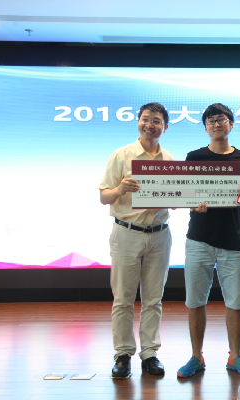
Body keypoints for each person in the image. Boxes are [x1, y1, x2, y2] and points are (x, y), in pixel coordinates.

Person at [177, 103, 240, 378]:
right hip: (199, 238)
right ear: (205, 127)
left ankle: (235, 356)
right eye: (211, 121)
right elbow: (183, 193)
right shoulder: (194, 157)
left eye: (221, 119)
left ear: (231, 124)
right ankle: (195, 356)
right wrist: (191, 203)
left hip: (232, 239)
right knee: (194, 301)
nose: (216, 124)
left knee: (235, 302)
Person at [99, 102, 173, 379]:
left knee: (154, 299)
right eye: (146, 119)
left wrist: (187, 199)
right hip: (127, 233)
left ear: (165, 127)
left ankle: (150, 353)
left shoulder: (169, 160)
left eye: (156, 121)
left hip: (159, 234)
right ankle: (123, 354)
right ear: (138, 121)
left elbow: (176, 197)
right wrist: (119, 189)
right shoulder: (121, 155)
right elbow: (104, 196)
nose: (150, 125)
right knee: (123, 299)